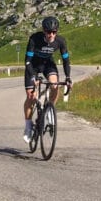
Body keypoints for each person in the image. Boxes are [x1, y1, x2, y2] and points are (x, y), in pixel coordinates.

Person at [22, 15, 71, 143]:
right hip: (33, 65)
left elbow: (66, 60)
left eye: (54, 32)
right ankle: (28, 126)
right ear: (44, 31)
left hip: (48, 64)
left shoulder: (60, 41)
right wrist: (33, 76)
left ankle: (50, 110)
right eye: (48, 32)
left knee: (55, 85)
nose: (51, 35)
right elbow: (27, 61)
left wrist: (68, 77)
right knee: (31, 96)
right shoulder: (34, 39)